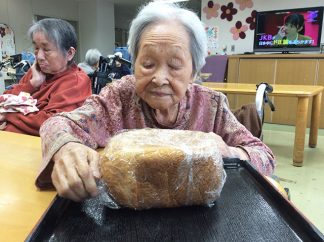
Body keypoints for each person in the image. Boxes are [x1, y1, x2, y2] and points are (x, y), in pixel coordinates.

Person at [36, 2, 275, 201]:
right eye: (148, 64)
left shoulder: (211, 106)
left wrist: (229, 152)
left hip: (198, 214)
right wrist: (67, 149)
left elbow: (265, 157)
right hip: (129, 211)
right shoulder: (120, 97)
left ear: (193, 71)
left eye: (174, 65)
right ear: (135, 62)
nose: (159, 78)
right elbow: (56, 124)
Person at [0, 18, 92, 136]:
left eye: (46, 49)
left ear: (69, 53)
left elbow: (52, 123)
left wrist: (8, 114)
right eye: (36, 48)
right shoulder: (36, 72)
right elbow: (5, 98)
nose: (39, 56)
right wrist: (32, 84)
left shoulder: (76, 81)